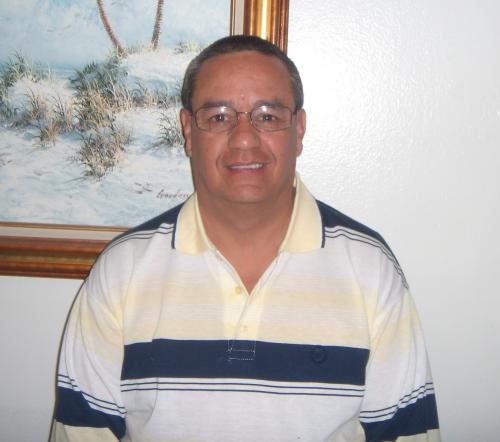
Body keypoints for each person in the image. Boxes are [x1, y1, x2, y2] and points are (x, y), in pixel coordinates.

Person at [51, 35, 440, 441]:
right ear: (188, 130)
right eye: (219, 116)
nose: (243, 139)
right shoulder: (122, 271)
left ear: (299, 129)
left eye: (267, 116)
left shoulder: (369, 268)